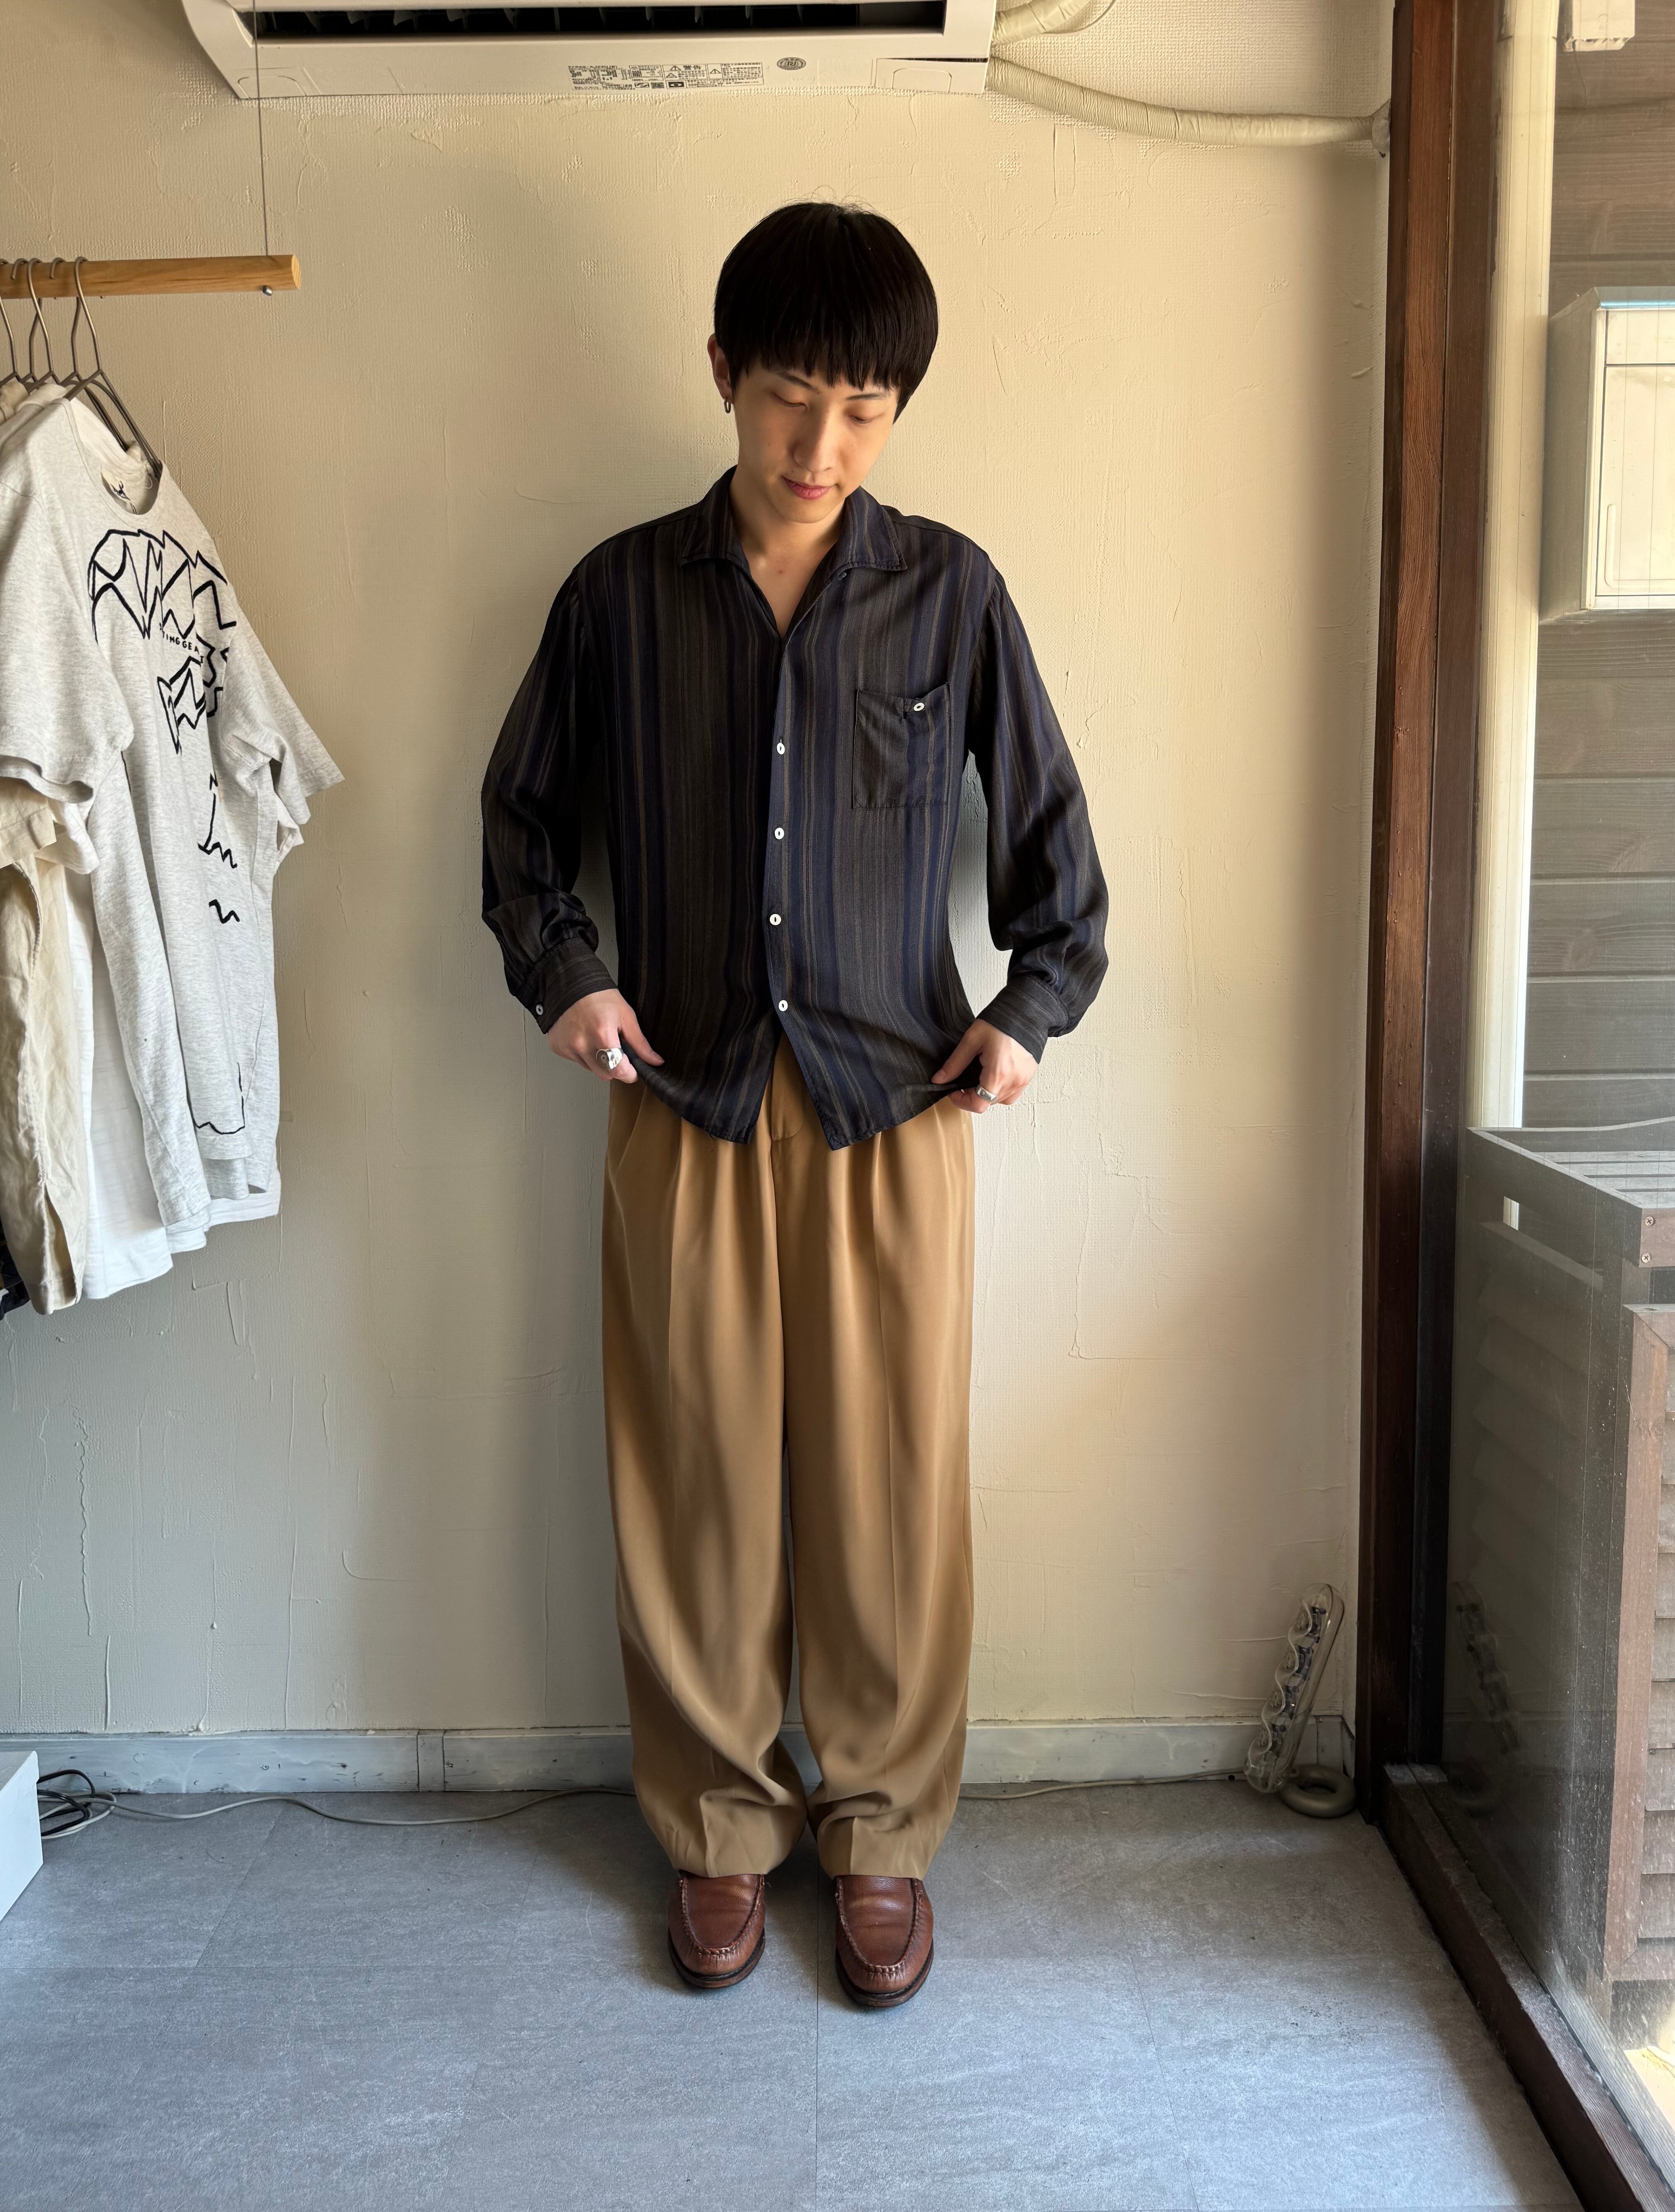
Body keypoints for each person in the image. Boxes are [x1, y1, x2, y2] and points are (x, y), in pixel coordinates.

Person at [481, 201, 1108, 2009]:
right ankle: (717, 1830)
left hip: (893, 1110)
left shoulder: (951, 594)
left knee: (890, 1492)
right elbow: (520, 826)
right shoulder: (617, 595)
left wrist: (1030, 1013)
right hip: (678, 1099)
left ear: (896, 410)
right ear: (722, 376)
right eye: (787, 398)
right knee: (693, 1483)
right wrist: (568, 974)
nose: (820, 446)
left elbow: (1056, 855)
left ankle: (884, 1832)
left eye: (862, 409)